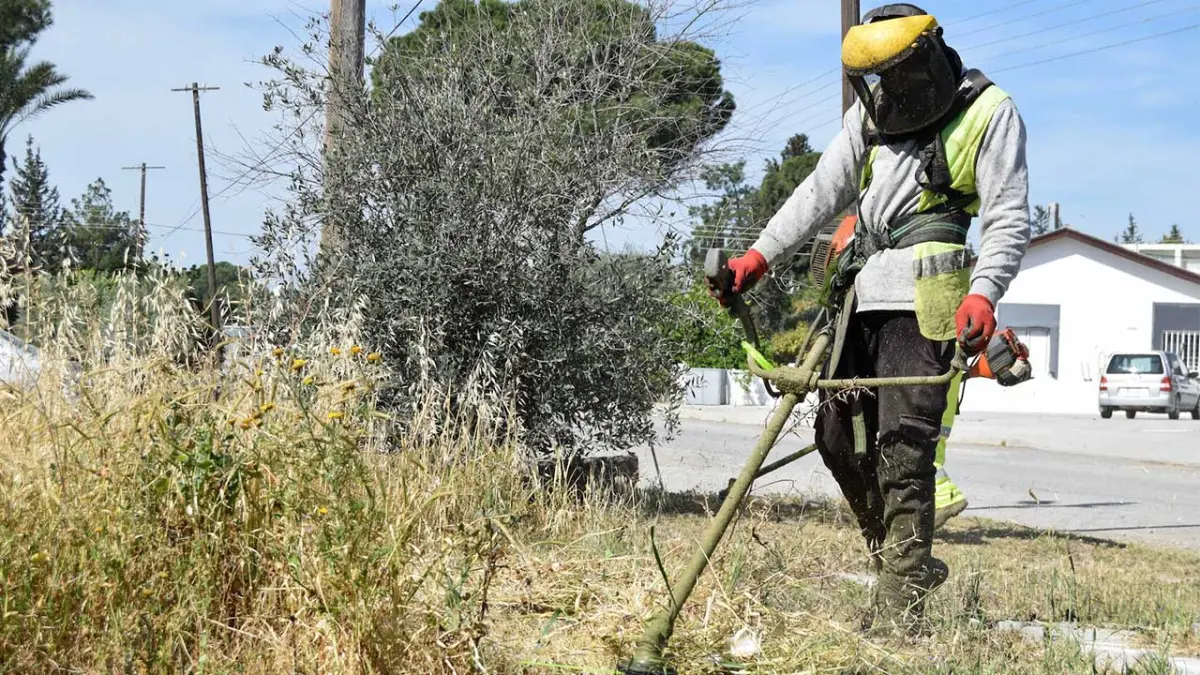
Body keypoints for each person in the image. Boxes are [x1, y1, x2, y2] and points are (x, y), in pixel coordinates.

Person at [713, 3, 1031, 631]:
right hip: (861, 295)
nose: (889, 88)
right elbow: (821, 190)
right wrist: (759, 256)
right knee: (836, 438)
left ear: (926, 60)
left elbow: (1008, 216)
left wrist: (984, 292)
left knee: (904, 449)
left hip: (929, 300)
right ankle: (899, 562)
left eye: (897, 73)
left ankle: (898, 608)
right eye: (878, 77)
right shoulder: (874, 113)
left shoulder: (989, 111)